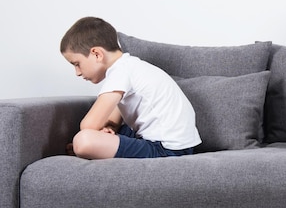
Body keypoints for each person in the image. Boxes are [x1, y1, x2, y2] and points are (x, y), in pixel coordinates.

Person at [60, 16, 201, 159]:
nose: (77, 73)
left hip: (167, 149)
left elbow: (88, 126)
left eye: (77, 64)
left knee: (83, 140)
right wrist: (108, 129)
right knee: (96, 136)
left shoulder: (120, 72)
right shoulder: (129, 67)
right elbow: (113, 119)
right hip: (178, 145)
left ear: (97, 54)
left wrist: (94, 137)